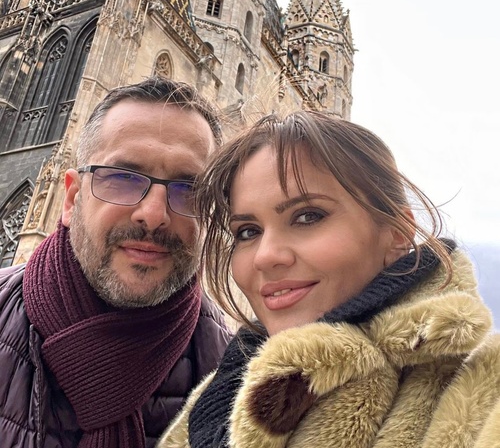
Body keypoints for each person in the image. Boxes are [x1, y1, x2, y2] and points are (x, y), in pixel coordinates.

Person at [157, 110, 500, 448]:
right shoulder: (214, 402)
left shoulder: (486, 390)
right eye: (247, 231)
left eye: (308, 216)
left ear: (397, 233)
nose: (265, 256)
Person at [0, 77, 232, 448]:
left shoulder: (238, 381)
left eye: (189, 190)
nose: (152, 215)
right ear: (72, 199)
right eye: (123, 177)